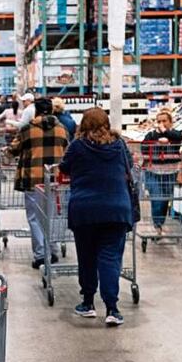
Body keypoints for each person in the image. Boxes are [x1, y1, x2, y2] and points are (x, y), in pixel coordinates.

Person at [59, 108, 136, 327]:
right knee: (110, 258)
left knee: (87, 256)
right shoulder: (119, 144)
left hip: (85, 209)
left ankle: (88, 303)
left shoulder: (77, 146)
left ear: (83, 124)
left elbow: (64, 168)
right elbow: (129, 166)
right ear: (106, 123)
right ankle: (112, 308)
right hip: (116, 209)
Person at [9, 96, 68, 269]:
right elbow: (67, 149)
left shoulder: (27, 129)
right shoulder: (61, 129)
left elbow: (14, 149)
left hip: (33, 179)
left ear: (35, 111)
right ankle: (53, 249)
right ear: (51, 110)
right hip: (54, 179)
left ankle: (42, 254)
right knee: (50, 215)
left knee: (35, 217)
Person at [141, 110, 182, 233]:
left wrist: (166, 133)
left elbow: (179, 137)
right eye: (159, 121)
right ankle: (157, 225)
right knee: (157, 197)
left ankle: (160, 223)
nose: (161, 123)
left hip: (170, 172)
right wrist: (157, 138)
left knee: (166, 198)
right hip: (153, 172)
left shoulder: (175, 134)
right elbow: (143, 147)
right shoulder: (151, 135)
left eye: (164, 121)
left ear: (170, 122)